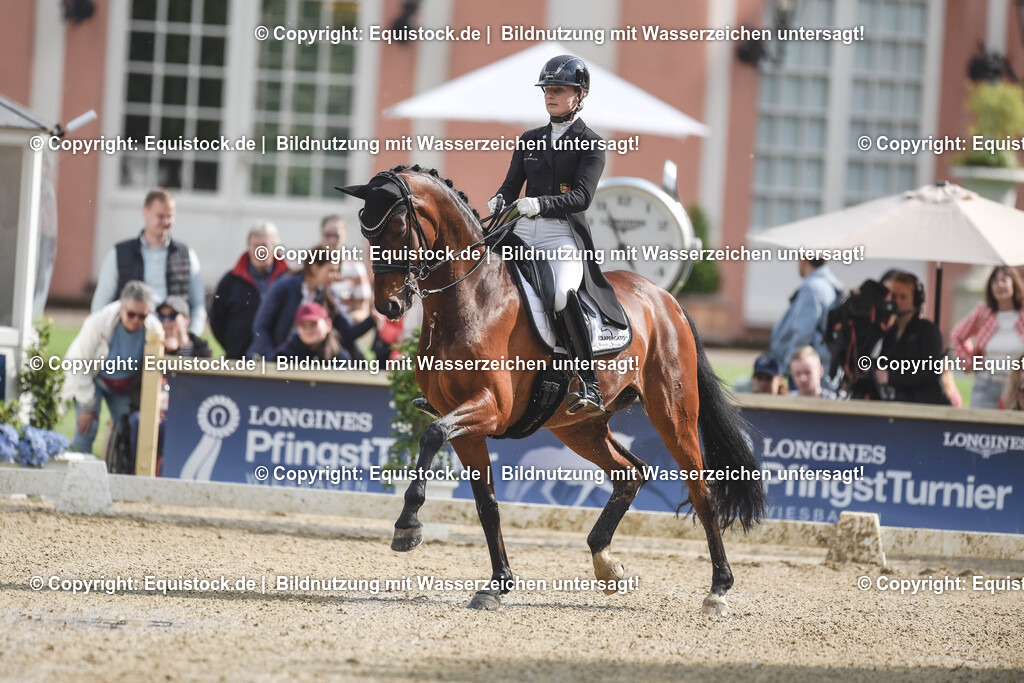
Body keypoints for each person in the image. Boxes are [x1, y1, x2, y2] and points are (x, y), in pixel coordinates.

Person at [487, 54, 628, 416]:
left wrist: (541, 204)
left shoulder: (592, 143)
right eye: (547, 89)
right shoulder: (530, 139)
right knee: (475, 276)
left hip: (560, 235)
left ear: (579, 95)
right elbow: (510, 186)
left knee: (563, 295)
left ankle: (590, 381)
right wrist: (501, 199)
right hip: (520, 229)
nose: (550, 95)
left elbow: (581, 197)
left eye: (559, 89)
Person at [63, 281, 162, 454]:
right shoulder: (98, 322)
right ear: (121, 308)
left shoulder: (154, 329)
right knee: (87, 427)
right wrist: (87, 405)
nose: (136, 320)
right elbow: (76, 363)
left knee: (129, 434)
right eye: (131, 314)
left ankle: (119, 474)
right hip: (93, 381)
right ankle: (78, 475)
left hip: (126, 387)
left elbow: (157, 370)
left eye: (142, 316)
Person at [91, 188, 206, 336]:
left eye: (169, 216)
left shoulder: (187, 255)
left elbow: (198, 305)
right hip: (130, 334)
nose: (165, 222)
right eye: (160, 216)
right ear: (145, 212)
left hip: (173, 338)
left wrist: (191, 337)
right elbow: (101, 302)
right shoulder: (119, 253)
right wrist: (105, 335)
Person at [248, 250, 375, 360]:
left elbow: (346, 332)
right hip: (276, 358)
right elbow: (261, 326)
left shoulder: (327, 295)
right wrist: (272, 360)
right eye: (331, 270)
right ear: (314, 268)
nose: (336, 276)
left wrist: (372, 319)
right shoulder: (284, 286)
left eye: (337, 271)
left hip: (305, 362)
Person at [209, 222, 290, 358]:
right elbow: (217, 319)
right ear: (248, 247)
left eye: (264, 246)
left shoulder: (289, 280)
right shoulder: (231, 281)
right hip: (238, 361)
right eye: (256, 246)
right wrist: (233, 346)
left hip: (280, 363)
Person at [949, 266, 1024, 409]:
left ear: (1014, 283)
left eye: (1004, 280)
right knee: (981, 426)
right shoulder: (983, 313)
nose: (1000, 285)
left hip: (1017, 384)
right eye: (995, 281)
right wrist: (970, 362)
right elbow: (957, 335)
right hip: (987, 382)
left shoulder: (1022, 314)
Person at [874, 272, 950, 405]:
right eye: (893, 296)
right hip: (900, 404)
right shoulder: (891, 333)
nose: (897, 301)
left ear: (916, 300)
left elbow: (931, 372)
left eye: (903, 297)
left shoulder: (927, 330)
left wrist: (891, 377)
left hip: (925, 406)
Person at [770, 258, 843, 385]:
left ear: (804, 260)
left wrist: (790, 367)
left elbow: (802, 333)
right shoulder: (832, 283)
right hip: (822, 370)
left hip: (806, 372)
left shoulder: (812, 287)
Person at [320, 215, 372, 322]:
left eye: (336, 236)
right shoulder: (311, 266)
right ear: (321, 234)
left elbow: (362, 310)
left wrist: (338, 322)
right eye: (328, 235)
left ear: (344, 236)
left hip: (342, 332)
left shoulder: (355, 269)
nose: (332, 240)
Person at [273, 302, 350, 362]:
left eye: (313, 324)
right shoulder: (284, 355)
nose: (308, 330)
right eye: (303, 325)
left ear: (328, 324)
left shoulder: (339, 357)